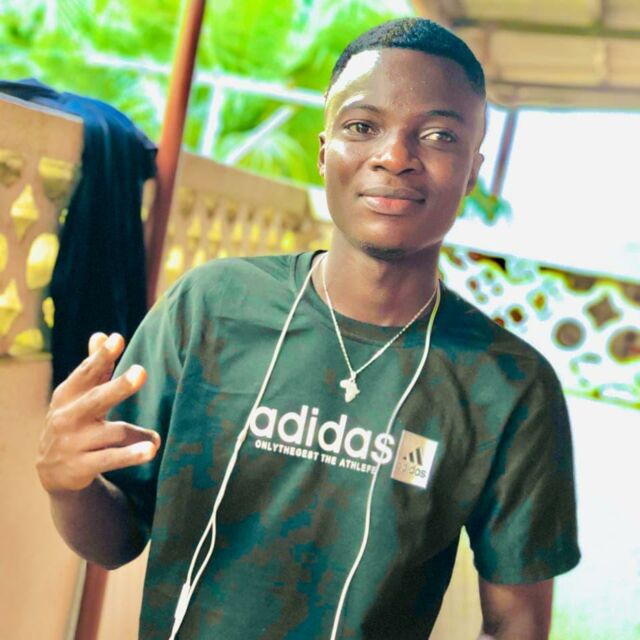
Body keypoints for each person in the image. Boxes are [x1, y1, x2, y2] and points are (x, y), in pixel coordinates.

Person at [36, 17, 580, 640]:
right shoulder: (210, 307)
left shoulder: (510, 386)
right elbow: (116, 540)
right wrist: (65, 483)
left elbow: (516, 625)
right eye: (362, 126)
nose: (394, 156)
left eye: (437, 135)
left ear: (472, 169)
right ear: (325, 152)